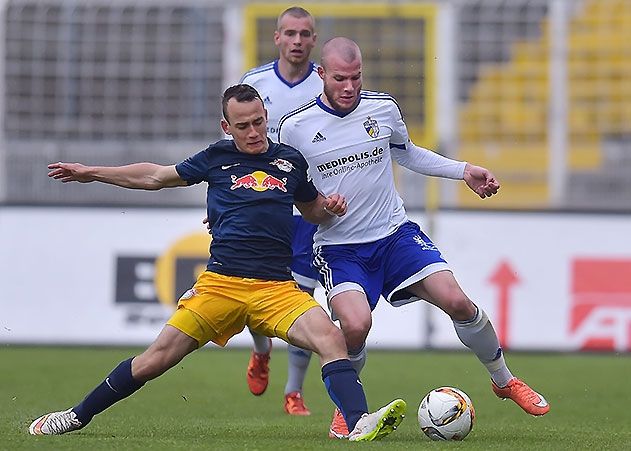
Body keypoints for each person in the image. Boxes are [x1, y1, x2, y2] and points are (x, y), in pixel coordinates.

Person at [28, 84, 407, 442]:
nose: (254, 132)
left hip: (276, 288)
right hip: (221, 285)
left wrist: (330, 207)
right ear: (227, 127)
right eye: (243, 126)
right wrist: (91, 173)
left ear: (265, 116)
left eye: (259, 122)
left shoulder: (290, 161)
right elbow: (156, 176)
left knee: (331, 339)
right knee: (153, 361)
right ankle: (76, 415)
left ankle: (357, 423)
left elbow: (312, 211)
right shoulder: (217, 158)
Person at [278, 37, 550, 439]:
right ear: (321, 75)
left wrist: (463, 170)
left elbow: (407, 153)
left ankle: (504, 380)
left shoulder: (382, 109)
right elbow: (289, 190)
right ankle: (348, 407)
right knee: (354, 327)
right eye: (339, 78)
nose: (349, 86)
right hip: (339, 249)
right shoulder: (296, 127)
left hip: (394, 234)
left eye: (355, 77)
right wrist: (316, 207)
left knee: (458, 301)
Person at [236, 6, 322, 416]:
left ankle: (293, 392)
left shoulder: (327, 83)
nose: (297, 41)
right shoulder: (254, 83)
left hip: (305, 207)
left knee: (301, 297)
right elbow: (233, 148)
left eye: (305, 34)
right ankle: (261, 350)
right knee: (257, 294)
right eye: (290, 33)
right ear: (277, 38)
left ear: (314, 40)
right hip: (261, 204)